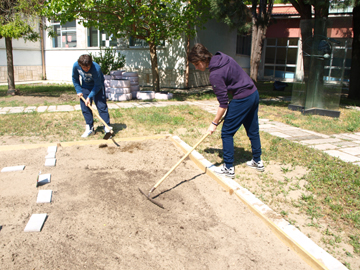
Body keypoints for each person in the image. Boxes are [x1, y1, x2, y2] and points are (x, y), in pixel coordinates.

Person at [187, 43, 264, 178]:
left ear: (203, 59)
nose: (196, 67)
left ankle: (228, 167)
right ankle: (257, 161)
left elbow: (223, 104)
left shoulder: (215, 74)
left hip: (242, 98)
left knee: (227, 132)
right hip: (253, 93)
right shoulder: (222, 57)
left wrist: (214, 123)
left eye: (196, 64)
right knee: (253, 129)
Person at [72, 54, 111, 137]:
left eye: (88, 67)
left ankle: (107, 127)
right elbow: (75, 78)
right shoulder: (76, 66)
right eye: (84, 68)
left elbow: (97, 85)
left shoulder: (96, 68)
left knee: (101, 106)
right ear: (80, 65)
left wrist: (89, 97)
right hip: (85, 87)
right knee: (85, 107)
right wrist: (78, 90)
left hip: (98, 86)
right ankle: (89, 128)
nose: (86, 69)